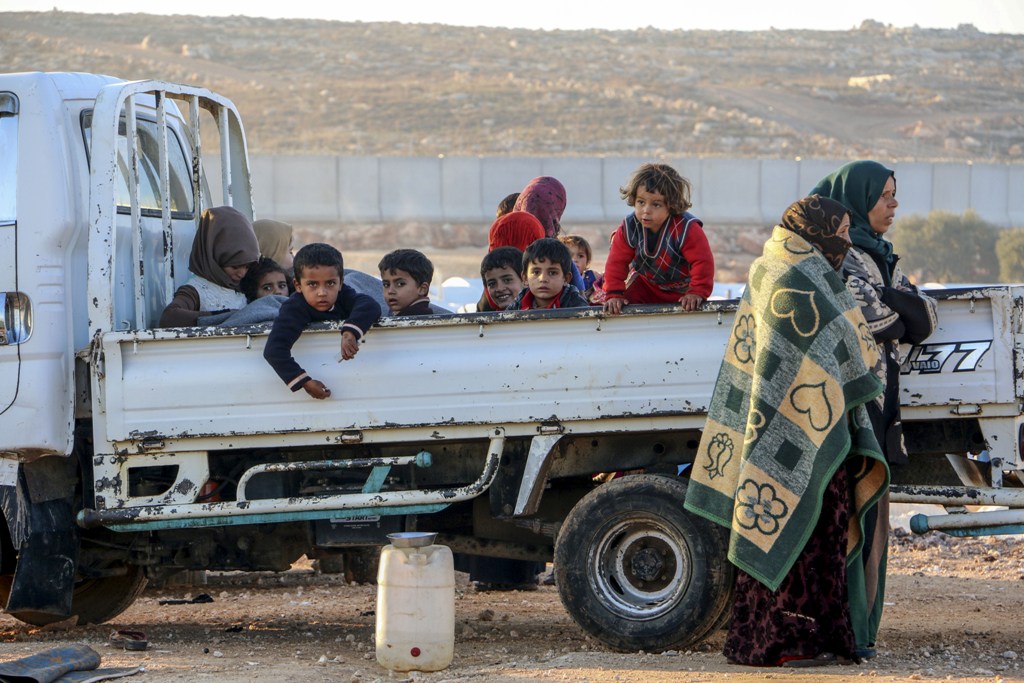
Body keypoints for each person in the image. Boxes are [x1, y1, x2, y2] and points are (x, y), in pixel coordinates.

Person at [684, 195, 888, 667]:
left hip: (818, 429)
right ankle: (776, 640)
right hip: (781, 429)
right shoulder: (781, 271)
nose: (842, 241)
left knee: (822, 539)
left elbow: (846, 341)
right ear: (813, 229)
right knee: (787, 531)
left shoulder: (808, 269)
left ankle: (818, 636)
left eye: (844, 231)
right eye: (836, 232)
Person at [811, 160, 937, 657]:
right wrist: (895, 304)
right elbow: (880, 321)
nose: (894, 205)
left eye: (894, 194)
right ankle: (843, 631)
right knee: (849, 520)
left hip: (883, 409)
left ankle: (862, 632)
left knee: (877, 517)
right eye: (884, 195)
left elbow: (923, 315)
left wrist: (894, 304)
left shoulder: (880, 255)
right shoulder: (841, 256)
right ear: (857, 199)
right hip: (850, 410)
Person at [263, 243, 381, 399]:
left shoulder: (344, 294)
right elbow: (274, 350)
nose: (322, 293)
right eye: (312, 284)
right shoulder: (294, 308)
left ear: (340, 283)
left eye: (330, 283)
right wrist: (305, 381)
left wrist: (350, 332)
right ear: (298, 285)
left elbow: (369, 305)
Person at [601, 163, 714, 315]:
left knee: (689, 309)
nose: (646, 210)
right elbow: (616, 262)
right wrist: (614, 294)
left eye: (656, 204)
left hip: (682, 292)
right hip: (646, 286)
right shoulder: (629, 228)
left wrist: (697, 292)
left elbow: (702, 262)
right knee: (621, 305)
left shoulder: (687, 229)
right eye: (641, 202)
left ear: (671, 205)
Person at [159, 206, 260, 327]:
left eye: (247, 267)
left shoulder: (247, 284)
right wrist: (225, 316)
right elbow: (169, 318)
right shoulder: (196, 290)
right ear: (213, 256)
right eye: (235, 267)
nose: (242, 273)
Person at [510, 238, 589, 310]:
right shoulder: (518, 304)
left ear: (566, 278)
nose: (543, 279)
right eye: (536, 272)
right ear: (525, 278)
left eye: (552, 273)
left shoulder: (577, 306)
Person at [378, 248, 435, 316]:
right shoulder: (392, 318)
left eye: (400, 284)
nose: (390, 291)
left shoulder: (423, 322)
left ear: (422, 289)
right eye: (386, 285)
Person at [476, 247, 524, 312]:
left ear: (525, 280)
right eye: (492, 284)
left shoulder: (540, 313)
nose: (499, 289)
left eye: (507, 280)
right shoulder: (487, 319)